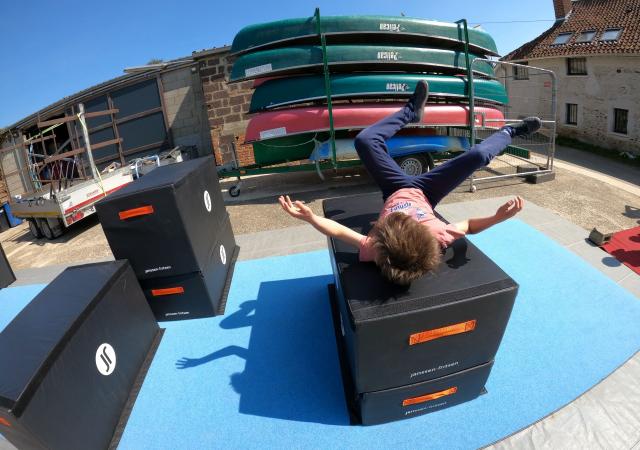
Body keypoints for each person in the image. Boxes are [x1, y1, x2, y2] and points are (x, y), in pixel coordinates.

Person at [279, 80, 540, 285]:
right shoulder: (438, 235)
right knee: (479, 155)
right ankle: (510, 132)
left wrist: (309, 217)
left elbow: (337, 230)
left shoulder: (377, 249)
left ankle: (410, 111)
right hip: (427, 193)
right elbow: (469, 226)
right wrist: (497, 218)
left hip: (393, 188)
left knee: (365, 141)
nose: (401, 215)